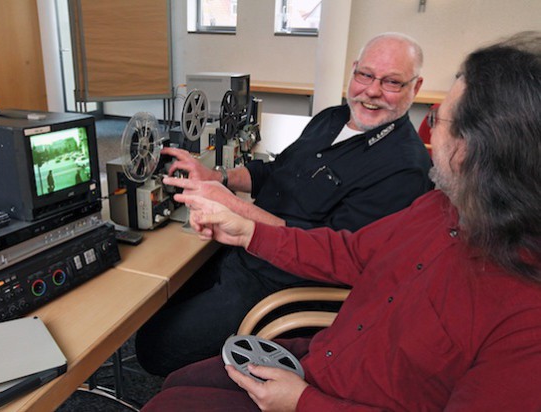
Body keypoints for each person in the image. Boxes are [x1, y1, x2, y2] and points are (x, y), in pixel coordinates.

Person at [142, 31, 541, 411]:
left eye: (438, 122)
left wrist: (303, 402)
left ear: (477, 150)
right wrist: (246, 228)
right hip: (331, 356)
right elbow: (349, 249)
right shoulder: (441, 206)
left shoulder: (523, 321)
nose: (430, 136)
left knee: (161, 374)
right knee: (177, 379)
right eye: (364, 75)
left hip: (310, 358)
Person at [136, 32, 434, 376]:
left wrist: (234, 207)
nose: (372, 91)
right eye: (365, 75)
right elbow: (277, 170)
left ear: (416, 86)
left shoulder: (404, 169)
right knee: (152, 299)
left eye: (392, 82)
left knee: (152, 347)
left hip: (281, 286)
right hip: (242, 254)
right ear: (353, 72)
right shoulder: (332, 118)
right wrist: (217, 178)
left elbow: (329, 254)